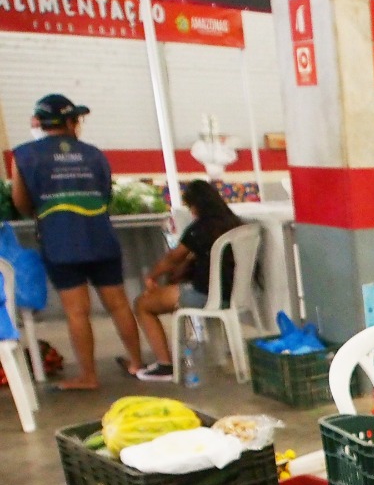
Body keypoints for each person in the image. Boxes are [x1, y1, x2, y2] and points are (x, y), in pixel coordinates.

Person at [10, 94, 144, 389]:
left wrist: (46, 212)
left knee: (76, 311)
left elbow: (20, 201)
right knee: (119, 304)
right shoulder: (94, 154)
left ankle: (88, 376)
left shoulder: (23, 155)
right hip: (99, 235)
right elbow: (105, 194)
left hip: (60, 241)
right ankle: (137, 363)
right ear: (69, 122)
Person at [132, 181, 244, 381]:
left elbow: (173, 258)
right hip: (235, 295)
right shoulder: (234, 223)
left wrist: (152, 276)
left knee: (142, 304)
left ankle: (164, 364)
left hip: (204, 296)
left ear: (195, 205)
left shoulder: (200, 228)